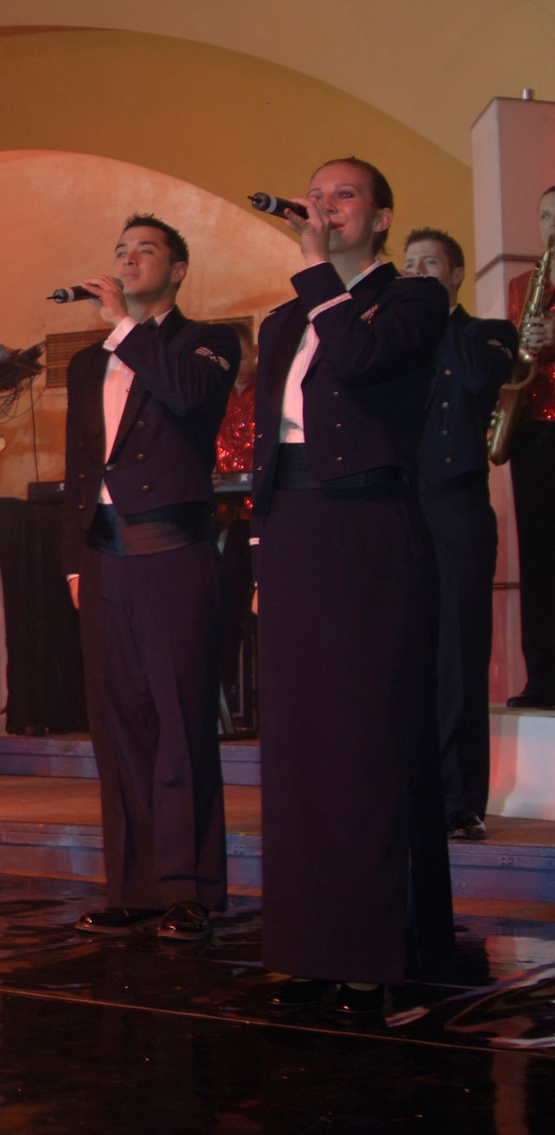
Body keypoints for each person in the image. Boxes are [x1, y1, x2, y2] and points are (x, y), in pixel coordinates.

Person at [252, 157, 452, 1014]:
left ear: (380, 216)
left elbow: (365, 362)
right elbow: (271, 433)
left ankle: (377, 947)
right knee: (297, 742)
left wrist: (319, 273)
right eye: (317, 193)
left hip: (368, 525)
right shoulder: (282, 320)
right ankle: (307, 944)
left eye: (343, 196)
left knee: (363, 737)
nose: (324, 205)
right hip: (295, 527)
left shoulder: (410, 298)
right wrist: (262, 537)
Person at [58, 215, 238, 941]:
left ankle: (188, 884)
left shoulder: (207, 343)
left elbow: (192, 398)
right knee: (119, 721)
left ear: (180, 269)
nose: (129, 262)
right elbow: (79, 464)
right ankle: (132, 884)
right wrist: (72, 554)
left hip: (173, 551)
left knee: (180, 718)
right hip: (104, 557)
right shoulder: (88, 361)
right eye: (121, 251)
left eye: (146, 251)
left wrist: (127, 328)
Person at [404, 228, 518, 842]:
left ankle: (458, 799)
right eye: (409, 266)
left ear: (455, 275)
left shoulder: (486, 333)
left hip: (456, 510)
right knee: (403, 657)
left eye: (430, 266)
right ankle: (408, 788)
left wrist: (435, 316)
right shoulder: (395, 344)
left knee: (457, 655)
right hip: (401, 510)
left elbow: (478, 381)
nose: (418, 273)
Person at [506, 185, 555, 709]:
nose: (551, 225)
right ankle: (542, 675)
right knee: (539, 559)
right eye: (544, 215)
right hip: (534, 427)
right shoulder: (526, 282)